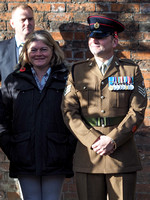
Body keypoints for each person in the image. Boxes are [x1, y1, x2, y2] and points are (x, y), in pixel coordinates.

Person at [61, 16, 147, 200]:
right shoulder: (78, 71)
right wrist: (92, 140)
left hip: (121, 154)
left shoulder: (131, 71)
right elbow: (69, 111)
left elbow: (137, 111)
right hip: (89, 154)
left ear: (114, 41)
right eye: (92, 36)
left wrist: (112, 139)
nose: (94, 40)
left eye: (100, 36)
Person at [0, 30, 77, 200]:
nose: (38, 54)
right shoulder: (14, 80)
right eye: (33, 50)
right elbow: (2, 117)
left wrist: (67, 146)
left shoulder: (67, 78)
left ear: (53, 50)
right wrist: (11, 146)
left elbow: (77, 114)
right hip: (23, 154)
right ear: (26, 53)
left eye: (44, 49)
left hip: (56, 153)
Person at [0, 4, 35, 85]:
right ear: (12, 23)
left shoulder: (46, 48)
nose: (27, 23)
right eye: (23, 20)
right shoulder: (1, 49)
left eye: (30, 19)